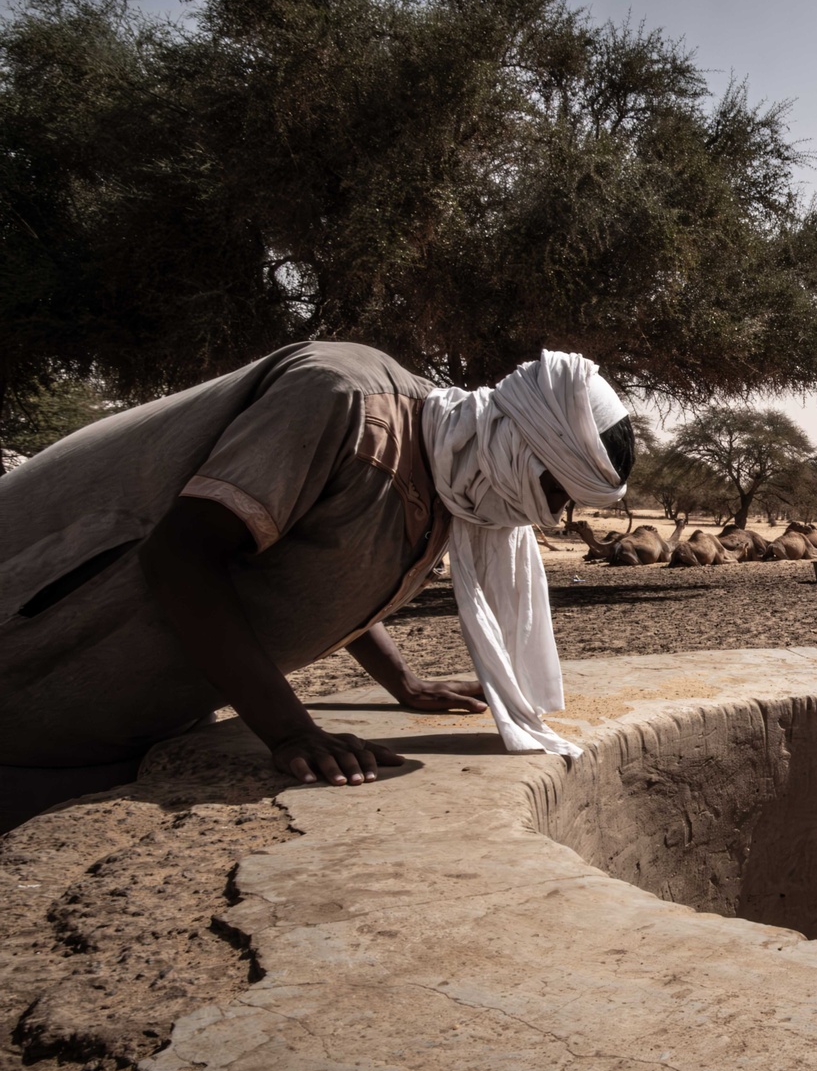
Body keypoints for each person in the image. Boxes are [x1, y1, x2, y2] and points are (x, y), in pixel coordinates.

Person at [0, 341, 633, 829]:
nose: (545, 516)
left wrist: (404, 683)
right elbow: (181, 555)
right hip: (40, 658)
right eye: (551, 491)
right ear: (518, 443)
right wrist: (289, 732)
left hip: (143, 710)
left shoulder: (457, 478)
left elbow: (331, 566)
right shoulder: (343, 400)